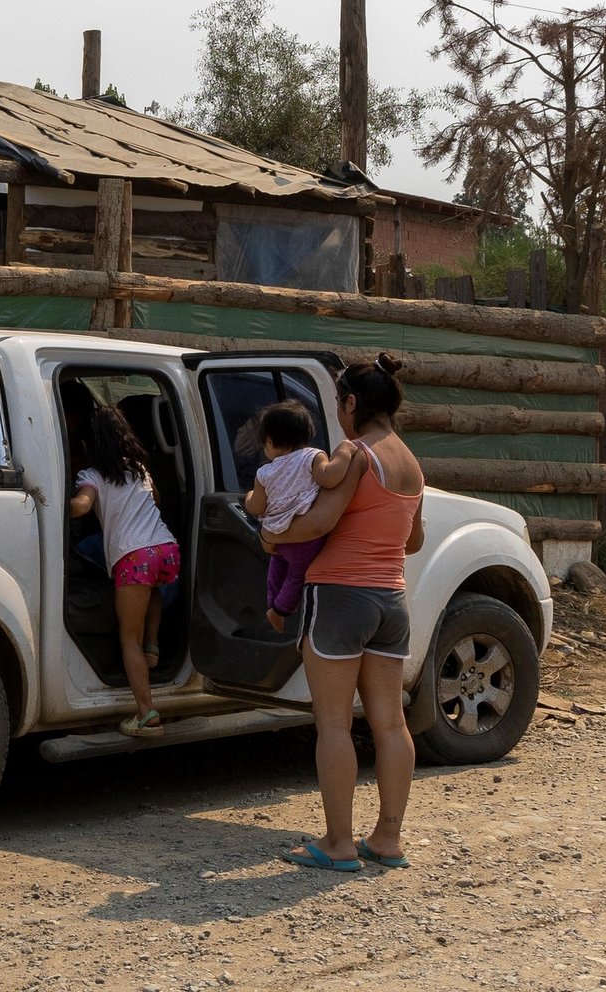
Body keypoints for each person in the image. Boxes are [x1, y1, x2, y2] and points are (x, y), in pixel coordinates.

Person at [263, 354, 424, 872]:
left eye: (338, 403)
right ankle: (388, 839)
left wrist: (271, 535)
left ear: (352, 403)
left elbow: (318, 522)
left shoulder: (354, 453)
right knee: (390, 723)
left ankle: (338, 843)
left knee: (332, 725)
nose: (337, 413)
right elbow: (414, 539)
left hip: (337, 595)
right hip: (390, 600)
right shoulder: (409, 461)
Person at [68, 403, 181, 737]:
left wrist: (53, 498)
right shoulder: (138, 468)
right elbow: (156, 499)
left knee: (125, 636)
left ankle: (146, 714)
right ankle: (153, 644)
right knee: (154, 591)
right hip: (165, 547)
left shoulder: (91, 476)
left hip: (133, 557)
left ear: (90, 444)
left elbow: (81, 507)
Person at [242, 400, 358, 633]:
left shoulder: (265, 472)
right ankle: (280, 610)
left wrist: (249, 496)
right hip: (306, 539)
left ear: (271, 442)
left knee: (277, 568)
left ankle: (273, 604)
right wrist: (345, 451)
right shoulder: (312, 457)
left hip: (277, 536)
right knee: (297, 575)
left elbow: (256, 507)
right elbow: (330, 477)